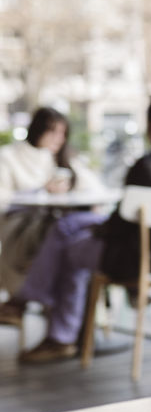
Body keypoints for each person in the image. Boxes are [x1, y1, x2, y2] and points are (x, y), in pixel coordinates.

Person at [2, 96, 151, 363]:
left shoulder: (147, 166)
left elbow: (120, 227)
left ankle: (54, 330)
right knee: (66, 228)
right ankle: (55, 329)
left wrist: (97, 229)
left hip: (140, 257)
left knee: (68, 247)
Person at [0, 107, 103, 298]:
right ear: (37, 129)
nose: (59, 139)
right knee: (65, 232)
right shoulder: (9, 157)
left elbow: (95, 187)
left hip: (54, 223)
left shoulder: (62, 160)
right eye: (53, 132)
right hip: (19, 224)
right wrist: (41, 191)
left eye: (63, 133)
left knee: (80, 230)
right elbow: (3, 200)